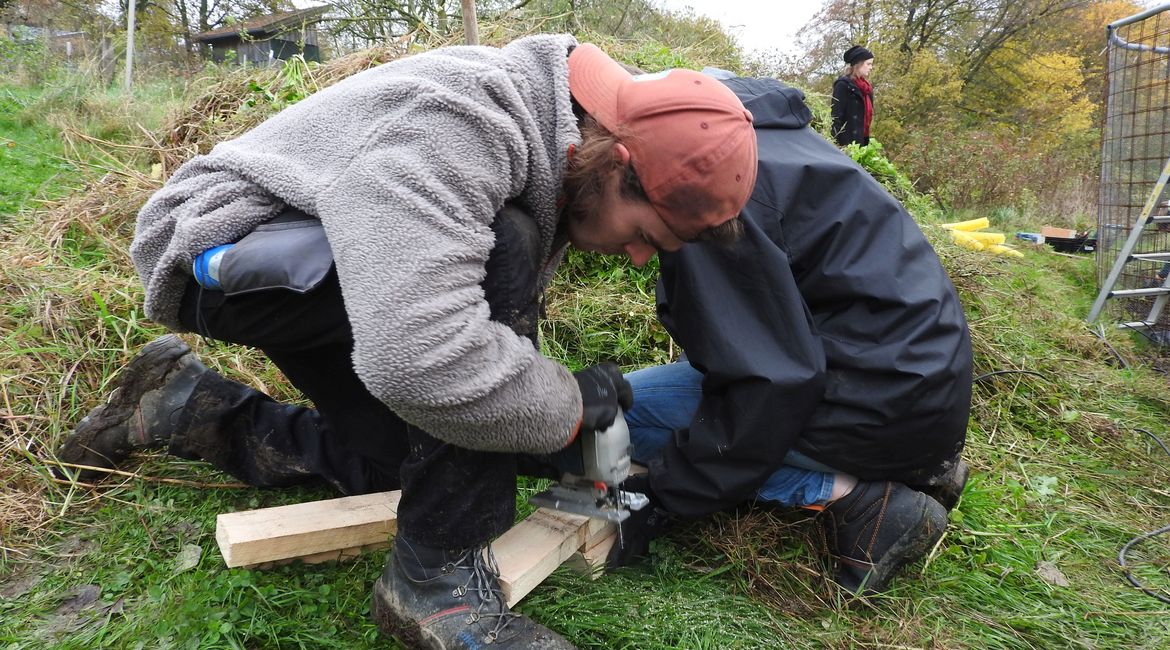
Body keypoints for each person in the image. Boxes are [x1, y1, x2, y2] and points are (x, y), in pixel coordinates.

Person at [56, 35, 758, 649]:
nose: (637, 259)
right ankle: (436, 581)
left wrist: (532, 419)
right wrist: (568, 405)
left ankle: (180, 403)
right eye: (643, 236)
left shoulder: (563, 139)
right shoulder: (469, 121)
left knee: (408, 461)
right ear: (615, 161)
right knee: (499, 255)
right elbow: (420, 357)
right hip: (221, 241)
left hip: (321, 251)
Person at [611, 71, 972, 596]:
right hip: (913, 388)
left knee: (621, 422)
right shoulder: (782, 142)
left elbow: (770, 385)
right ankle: (919, 464)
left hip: (872, 400)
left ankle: (863, 500)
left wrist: (664, 498)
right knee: (632, 403)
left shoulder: (708, 188)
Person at [831, 44, 876, 147]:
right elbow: (836, 117)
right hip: (847, 145)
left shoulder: (867, 89)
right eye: (868, 64)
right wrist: (834, 145)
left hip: (862, 143)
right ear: (858, 64)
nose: (871, 67)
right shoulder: (843, 85)